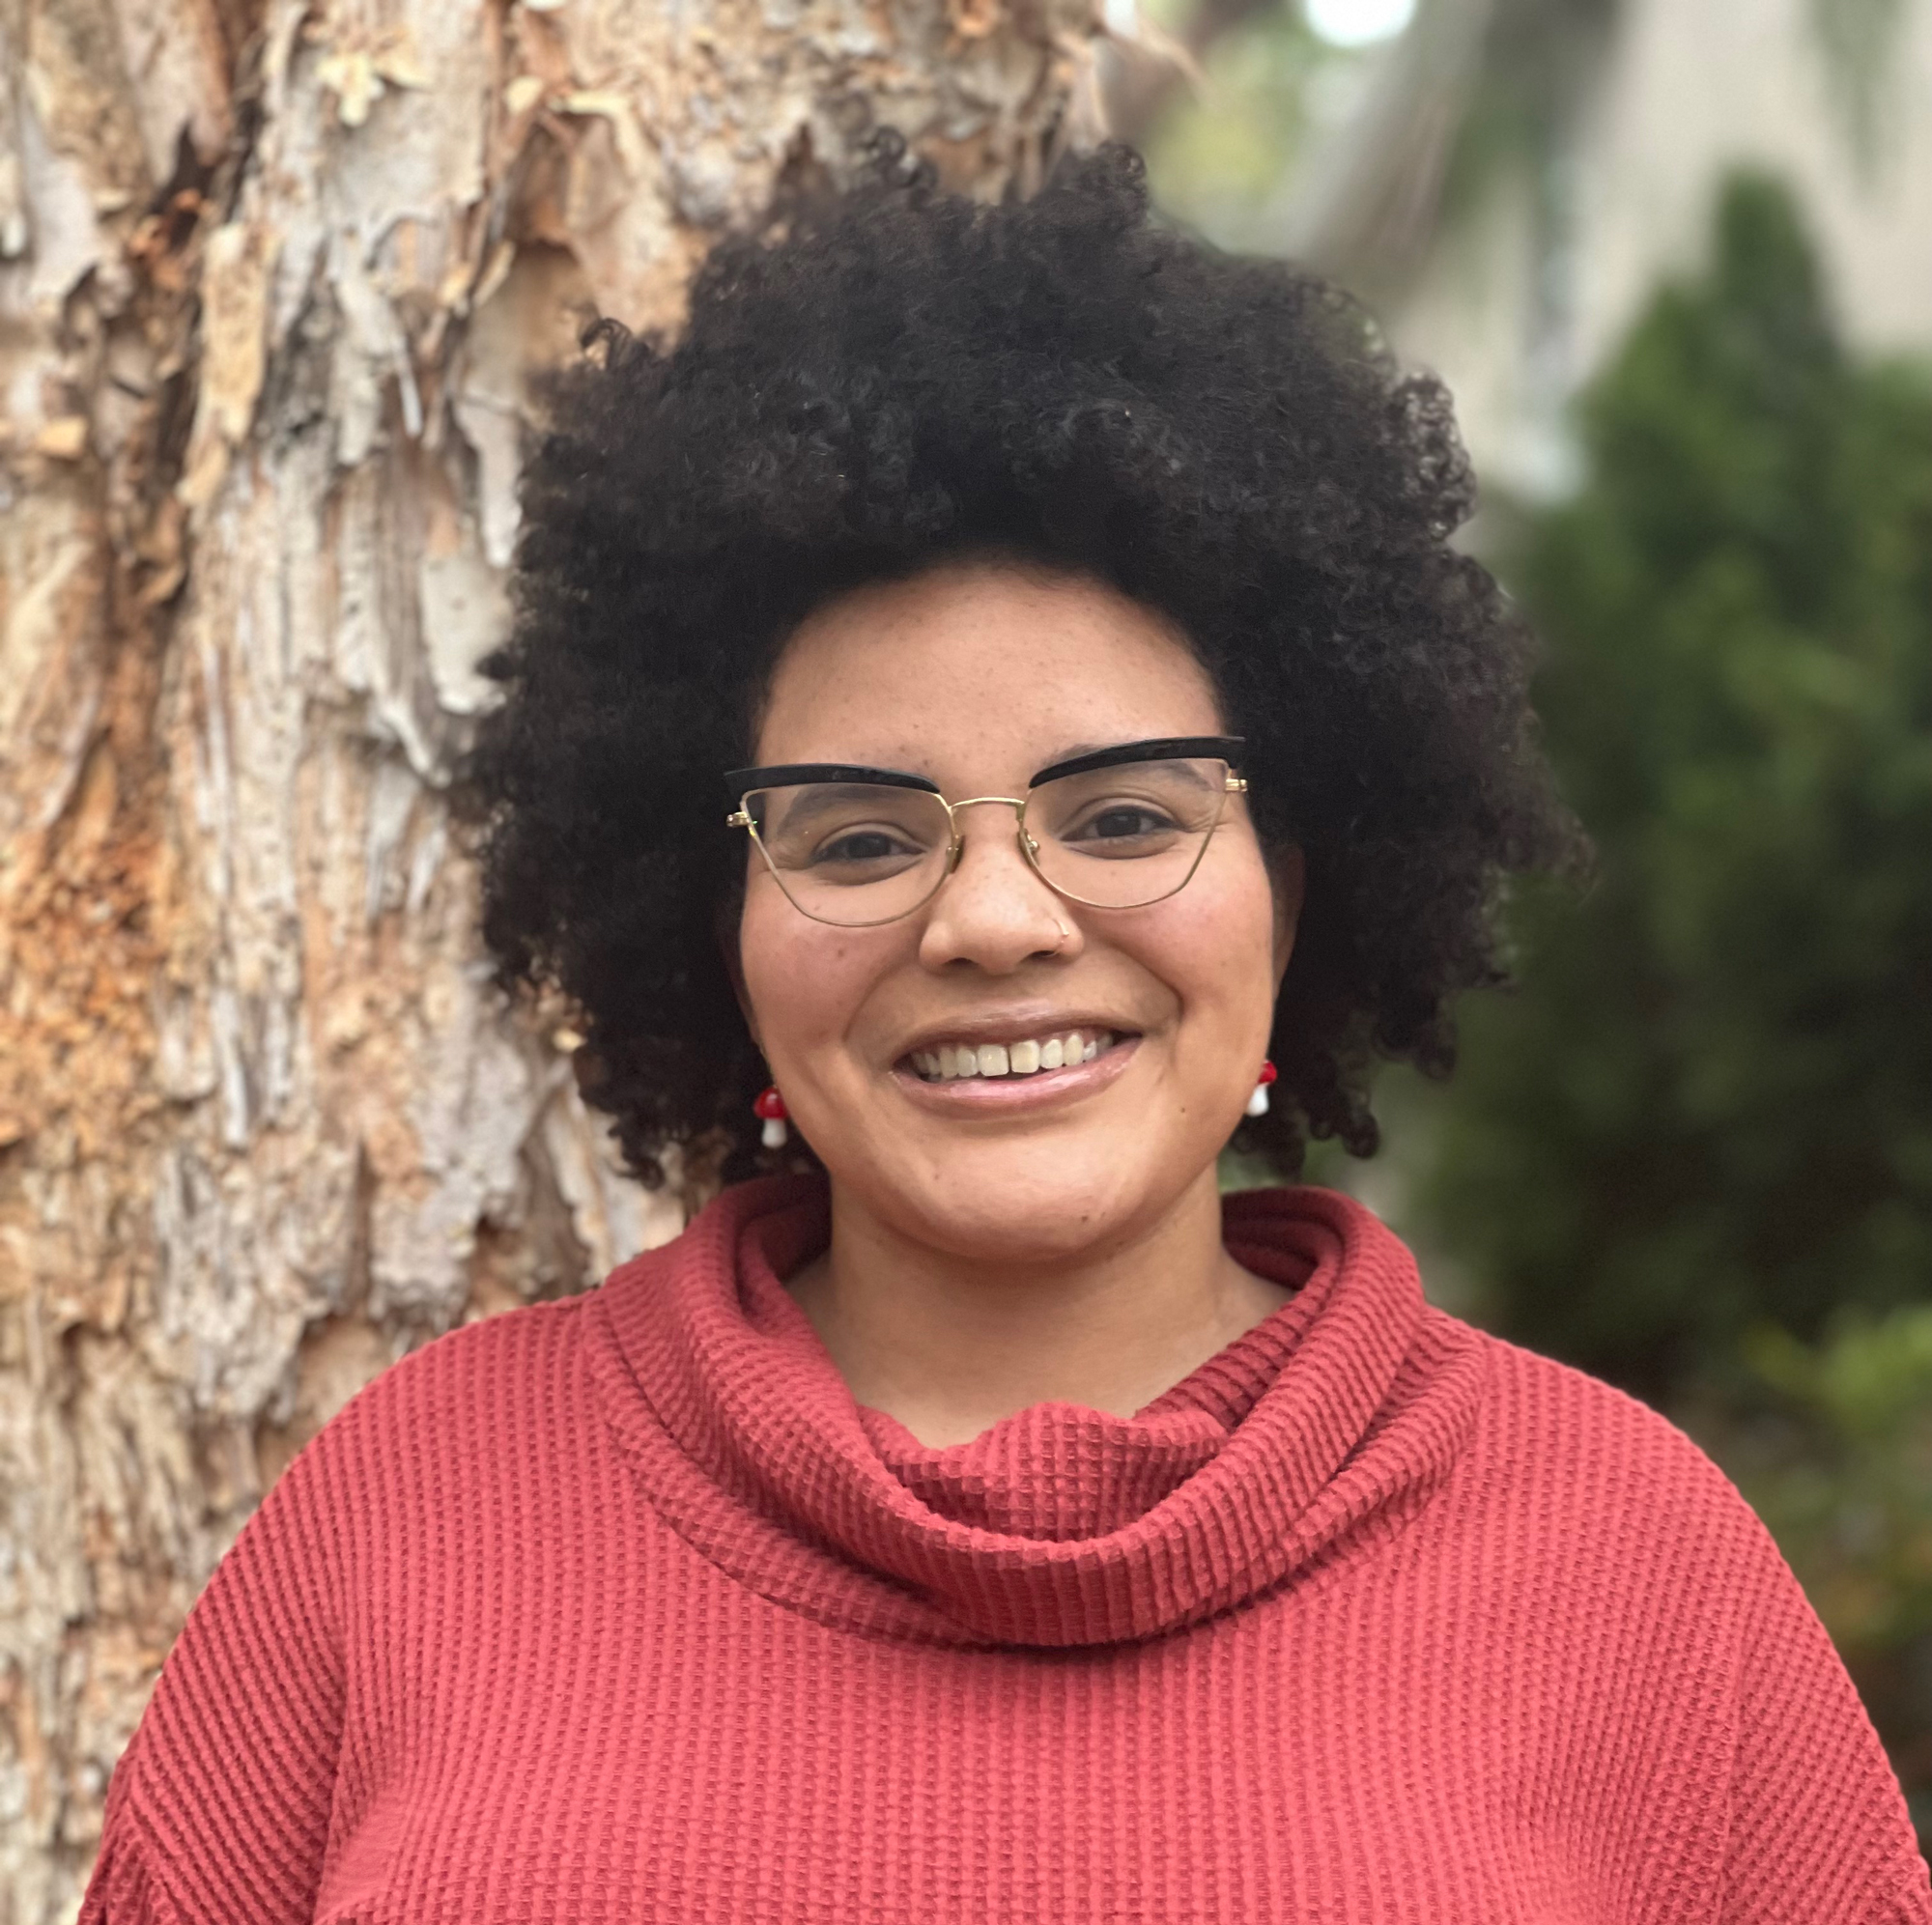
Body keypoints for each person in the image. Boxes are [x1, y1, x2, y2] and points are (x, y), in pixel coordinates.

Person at [80, 142, 1931, 1923]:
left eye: (1126, 814)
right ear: (712, 921)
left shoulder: (1633, 1570)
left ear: (1302, 877)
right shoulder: (403, 1528)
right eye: (861, 838)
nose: (989, 922)